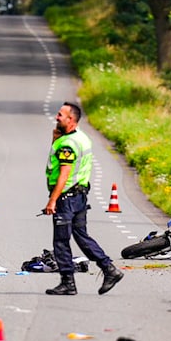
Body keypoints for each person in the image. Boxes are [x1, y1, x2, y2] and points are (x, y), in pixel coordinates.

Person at [42, 101, 124, 296]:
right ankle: (109, 269)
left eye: (61, 115)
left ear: (71, 119)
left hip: (66, 198)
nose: (56, 117)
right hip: (79, 196)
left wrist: (52, 200)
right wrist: (54, 140)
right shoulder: (81, 138)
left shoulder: (68, 144)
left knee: (61, 241)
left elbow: (64, 173)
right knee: (82, 236)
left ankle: (68, 283)